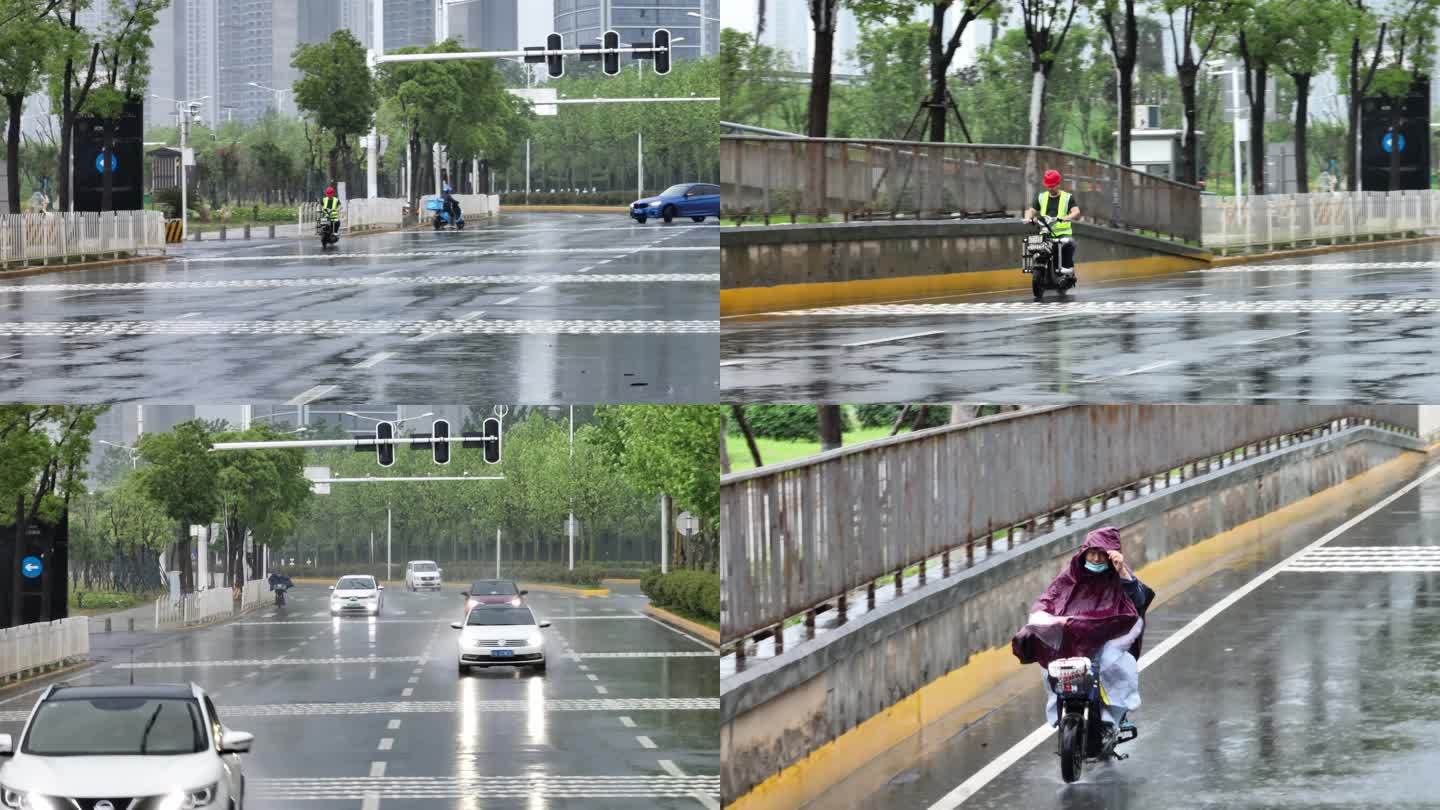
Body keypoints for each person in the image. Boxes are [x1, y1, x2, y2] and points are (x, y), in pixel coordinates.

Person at [1011, 527, 1154, 736]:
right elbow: (1050, 597)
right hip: (1075, 633)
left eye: (1101, 554)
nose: (1095, 559)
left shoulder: (1120, 574)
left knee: (1111, 665)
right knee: (1051, 668)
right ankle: (1059, 714)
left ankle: (1114, 717)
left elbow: (1138, 601)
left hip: (1108, 635)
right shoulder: (1071, 573)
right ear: (1084, 552)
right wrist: (1043, 616)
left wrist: (1121, 571)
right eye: (1092, 553)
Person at [1023, 169, 1081, 275]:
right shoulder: (1041, 197)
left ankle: (1068, 270)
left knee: (1070, 244)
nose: (1050, 188)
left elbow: (1076, 211)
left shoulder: (1068, 198)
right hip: (1046, 234)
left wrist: (1068, 217)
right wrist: (1028, 217)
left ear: (1058, 184)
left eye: (1052, 185)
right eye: (1048, 186)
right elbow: (1031, 210)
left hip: (1063, 234)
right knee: (1034, 246)